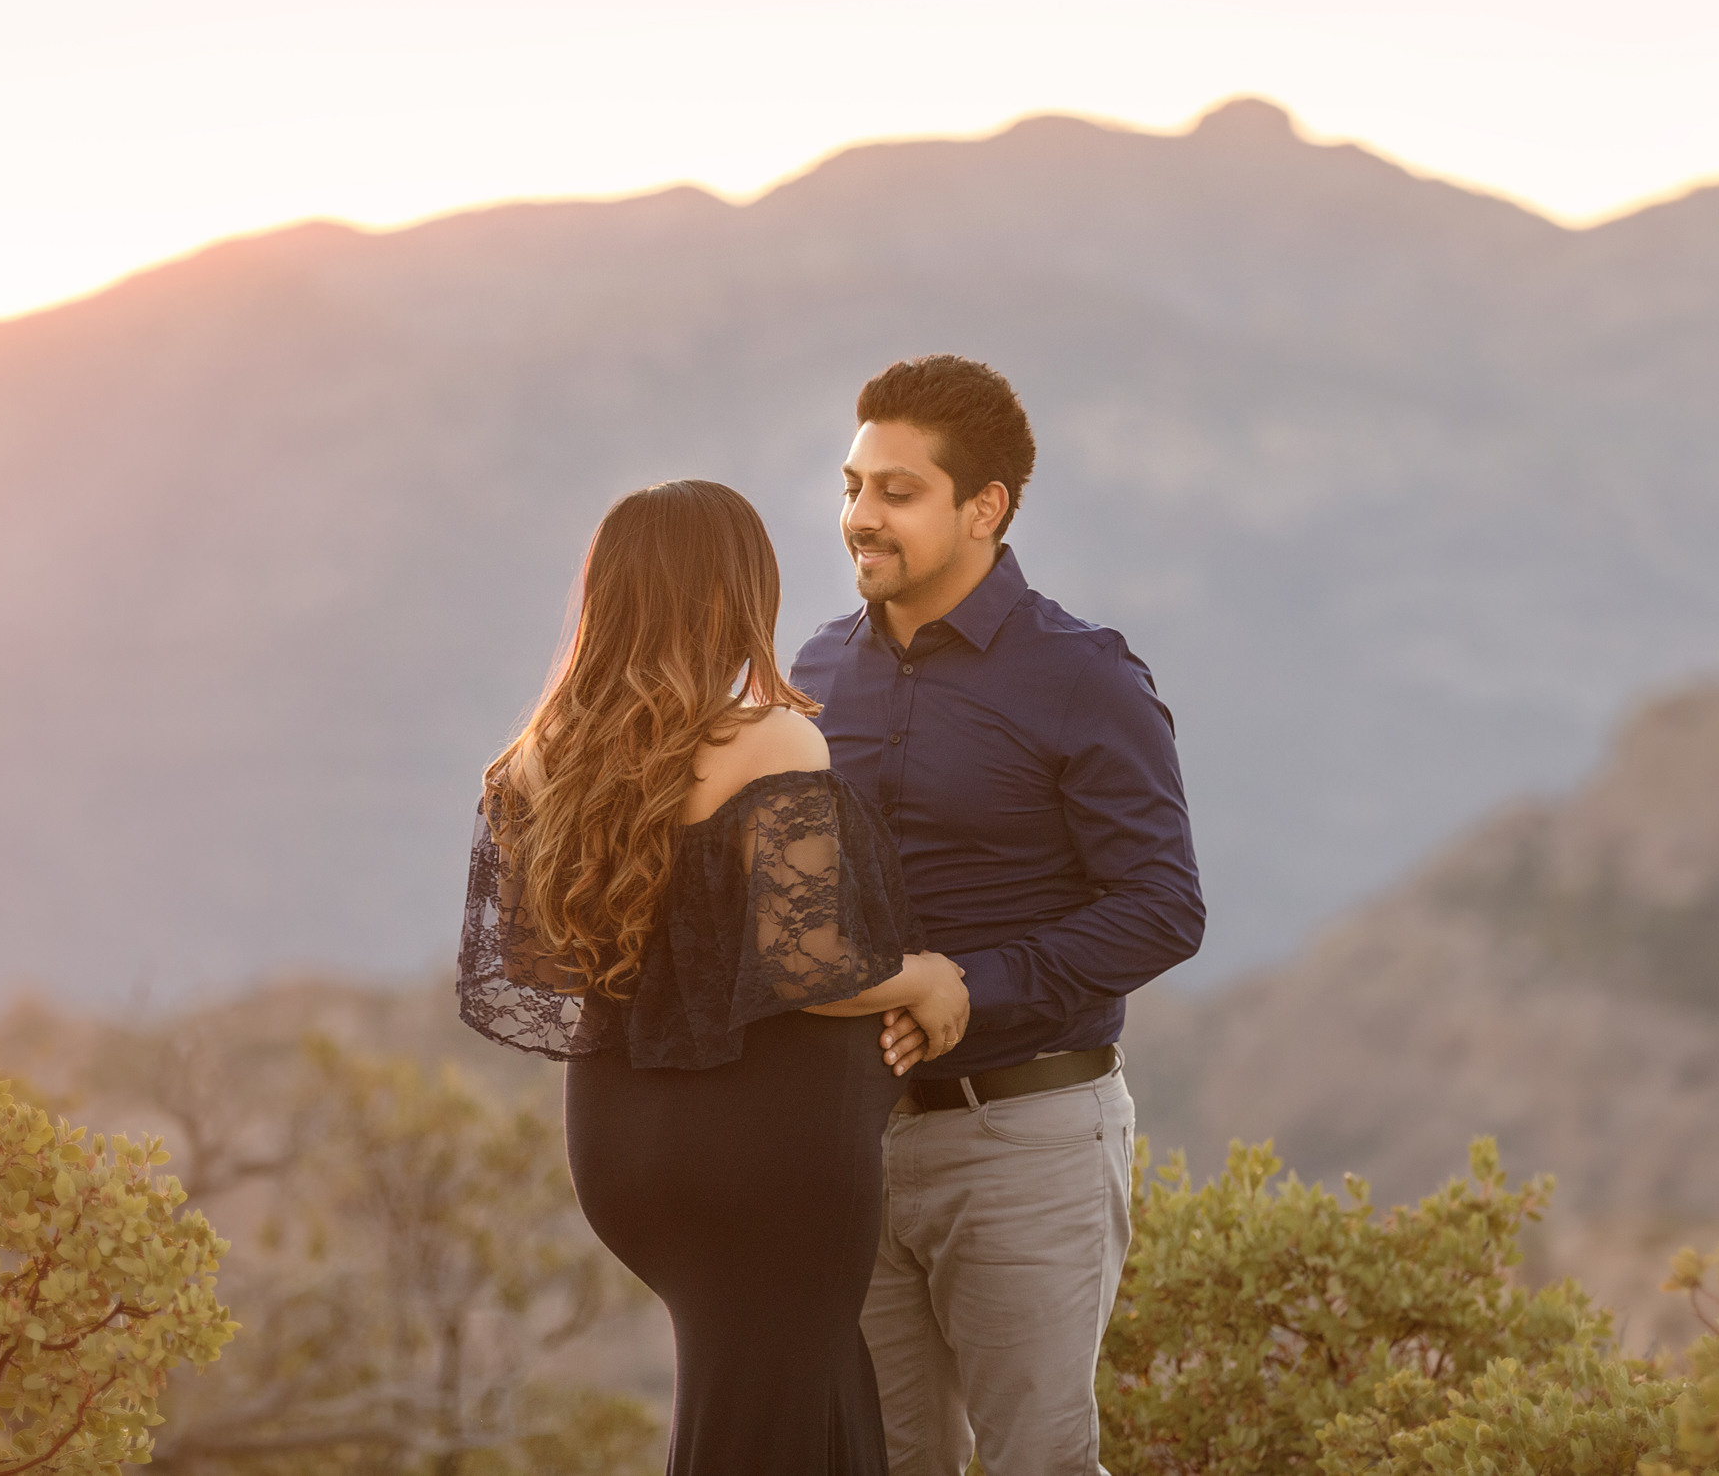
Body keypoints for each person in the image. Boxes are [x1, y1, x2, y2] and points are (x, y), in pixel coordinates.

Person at [458, 478, 972, 1475]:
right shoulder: (768, 740)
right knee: (770, 1416)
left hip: (618, 1149)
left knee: (799, 1393)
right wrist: (928, 980)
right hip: (767, 1157)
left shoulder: (536, 762)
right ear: (734, 595)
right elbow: (812, 963)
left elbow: (545, 961)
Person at [790, 356, 1205, 1476]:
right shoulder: (816, 670)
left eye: (896, 491)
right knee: (878, 1460)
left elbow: (1164, 907)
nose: (859, 518)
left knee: (1038, 1463)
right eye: (851, 486)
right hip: (851, 1141)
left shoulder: (1084, 677)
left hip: (1024, 1136)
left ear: (986, 509)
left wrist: (974, 985)